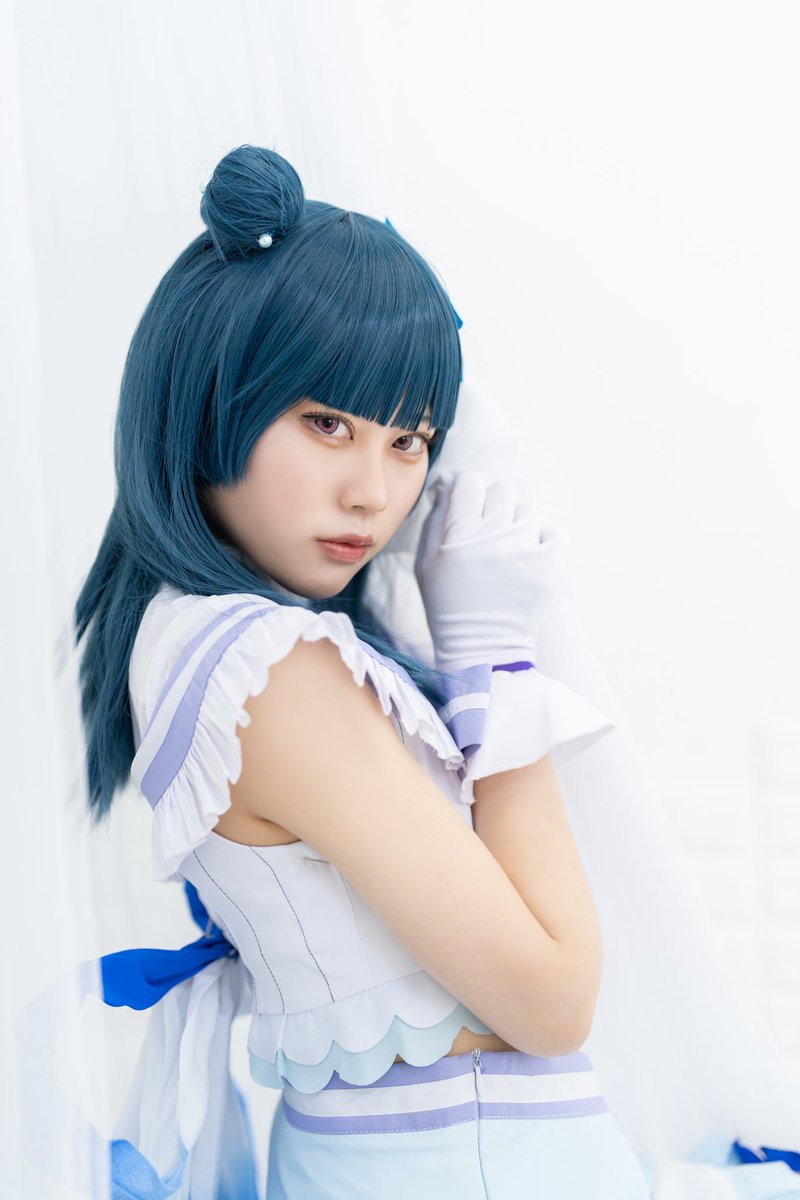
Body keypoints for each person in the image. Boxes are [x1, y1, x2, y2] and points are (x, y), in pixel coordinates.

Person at [58, 144, 800, 1198]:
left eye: (409, 440)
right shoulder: (269, 671)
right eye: (326, 423)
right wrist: (492, 652)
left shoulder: (201, 641)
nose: (373, 491)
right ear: (206, 394)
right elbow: (550, 1001)